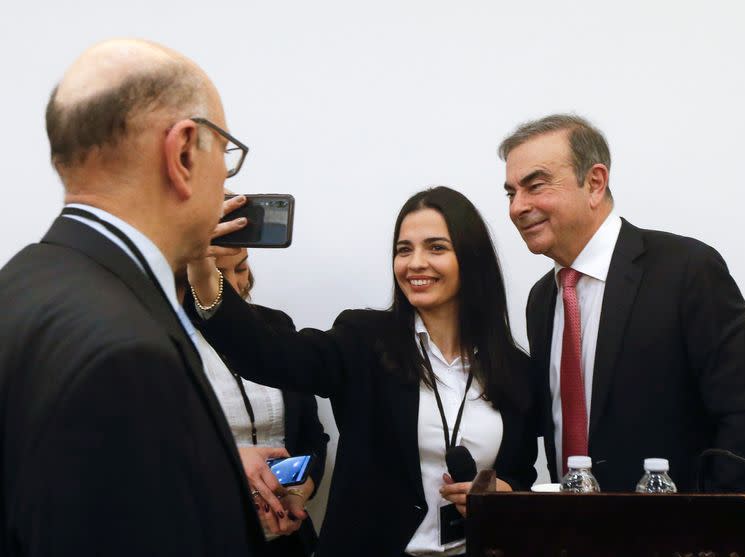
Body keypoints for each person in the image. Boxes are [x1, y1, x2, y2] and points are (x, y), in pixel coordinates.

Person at [0, 39, 270, 555]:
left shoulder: (21, 283)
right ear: (185, 151)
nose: (224, 181)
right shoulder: (127, 358)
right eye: (226, 155)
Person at [186, 187, 538, 556]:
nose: (415, 263)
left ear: (472, 258)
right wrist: (201, 269)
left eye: (436, 248)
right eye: (404, 250)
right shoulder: (364, 340)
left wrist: (506, 494)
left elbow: (520, 473)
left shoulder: (514, 367)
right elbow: (270, 355)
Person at [499, 113, 745, 492]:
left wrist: (709, 529)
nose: (518, 207)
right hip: (568, 535)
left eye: (535, 186)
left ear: (595, 183)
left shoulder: (686, 271)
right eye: (511, 192)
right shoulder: (542, 298)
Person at [187, 248, 329, 556]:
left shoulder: (274, 326)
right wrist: (230, 458)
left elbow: (312, 436)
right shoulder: (166, 338)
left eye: (241, 269)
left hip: (287, 538)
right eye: (218, 275)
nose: (234, 287)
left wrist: (299, 493)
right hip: (207, 534)